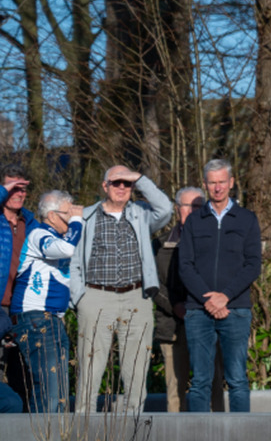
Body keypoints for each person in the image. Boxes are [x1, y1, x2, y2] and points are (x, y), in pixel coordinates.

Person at [68, 163, 173, 414]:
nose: (122, 187)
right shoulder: (85, 216)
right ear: (105, 186)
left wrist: (139, 178)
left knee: (136, 368)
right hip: (95, 296)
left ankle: (132, 424)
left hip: (136, 297)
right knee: (90, 367)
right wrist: (79, 298)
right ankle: (84, 426)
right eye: (116, 182)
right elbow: (71, 259)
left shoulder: (142, 214)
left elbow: (166, 208)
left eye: (127, 183)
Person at [178, 158, 263, 413]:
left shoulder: (247, 219)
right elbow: (186, 266)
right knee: (201, 381)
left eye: (222, 182)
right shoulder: (193, 222)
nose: (217, 188)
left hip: (235, 309)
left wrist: (224, 296)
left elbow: (253, 265)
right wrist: (209, 300)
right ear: (205, 185)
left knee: (237, 379)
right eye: (212, 183)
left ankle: (241, 435)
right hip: (198, 310)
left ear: (231, 183)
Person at [13, 190, 83, 413]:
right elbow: (66, 248)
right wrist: (78, 220)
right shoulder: (39, 234)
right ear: (52, 215)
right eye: (67, 214)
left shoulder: (56, 237)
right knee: (50, 393)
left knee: (60, 395)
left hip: (51, 319)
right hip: (36, 319)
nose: (71, 219)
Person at [154, 187, 222, 413]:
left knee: (213, 386)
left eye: (198, 206)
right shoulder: (161, 245)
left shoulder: (217, 242)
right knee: (176, 389)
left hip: (209, 321)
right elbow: (153, 283)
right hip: (173, 324)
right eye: (188, 206)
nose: (193, 211)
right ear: (176, 209)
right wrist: (174, 305)